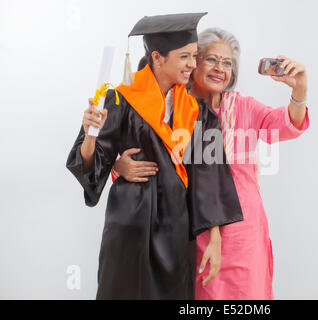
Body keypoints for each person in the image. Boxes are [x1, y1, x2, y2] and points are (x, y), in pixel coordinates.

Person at [113, 28, 310, 299]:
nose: (220, 68)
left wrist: (299, 91)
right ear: (193, 62)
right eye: (211, 59)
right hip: (186, 226)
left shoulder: (244, 108)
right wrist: (118, 165)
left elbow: (287, 125)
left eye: (227, 63)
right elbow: (140, 149)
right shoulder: (175, 105)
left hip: (241, 231)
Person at [66, 14, 243, 300]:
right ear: (158, 58)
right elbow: (92, 166)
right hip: (129, 223)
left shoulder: (199, 112)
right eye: (185, 56)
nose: (192, 64)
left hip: (175, 226)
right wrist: (91, 135)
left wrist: (214, 236)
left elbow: (209, 174)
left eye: (195, 56)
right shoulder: (122, 99)